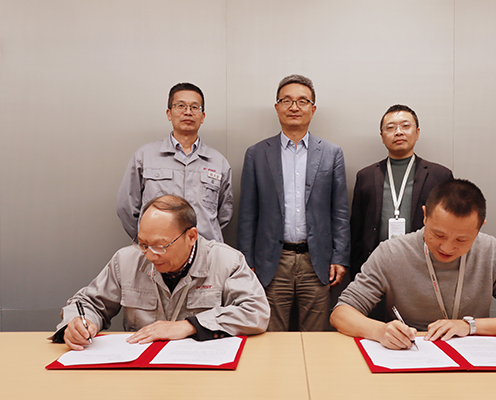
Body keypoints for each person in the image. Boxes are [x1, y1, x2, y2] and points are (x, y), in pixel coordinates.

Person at [331, 179, 496, 350]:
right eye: (438, 235)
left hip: (472, 357)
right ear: (425, 216)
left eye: (461, 240)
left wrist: (469, 326)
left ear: (479, 227)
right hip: (410, 354)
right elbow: (341, 313)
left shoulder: (491, 251)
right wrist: (380, 331)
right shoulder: (392, 252)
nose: (447, 247)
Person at [52, 195, 269, 350]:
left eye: (159, 246)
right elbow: (88, 303)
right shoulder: (126, 260)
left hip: (201, 370)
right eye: (143, 243)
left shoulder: (226, 261)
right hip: (140, 369)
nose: (149, 255)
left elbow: (256, 311)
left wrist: (190, 326)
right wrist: (78, 323)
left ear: (191, 236)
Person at [237, 74, 350, 332]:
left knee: (316, 335)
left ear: (313, 109)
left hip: (317, 261)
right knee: (270, 333)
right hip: (271, 262)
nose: (294, 107)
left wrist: (340, 257)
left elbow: (340, 211)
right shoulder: (257, 153)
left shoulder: (331, 153)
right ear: (277, 107)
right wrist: (246, 260)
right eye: (287, 101)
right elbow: (247, 214)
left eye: (302, 101)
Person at [117, 82, 233, 243]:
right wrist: (147, 242)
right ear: (169, 113)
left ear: (202, 116)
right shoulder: (144, 156)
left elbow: (224, 214)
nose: (188, 112)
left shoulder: (218, 163)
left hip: (205, 251)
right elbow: (126, 208)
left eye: (194, 107)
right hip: (158, 251)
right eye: (181, 106)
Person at [350, 104, 453, 279]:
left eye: (405, 126)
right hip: (376, 267)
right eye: (390, 128)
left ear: (417, 133)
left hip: (425, 267)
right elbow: (356, 229)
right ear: (382, 137)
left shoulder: (440, 176)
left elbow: (450, 225)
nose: (398, 132)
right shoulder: (365, 176)